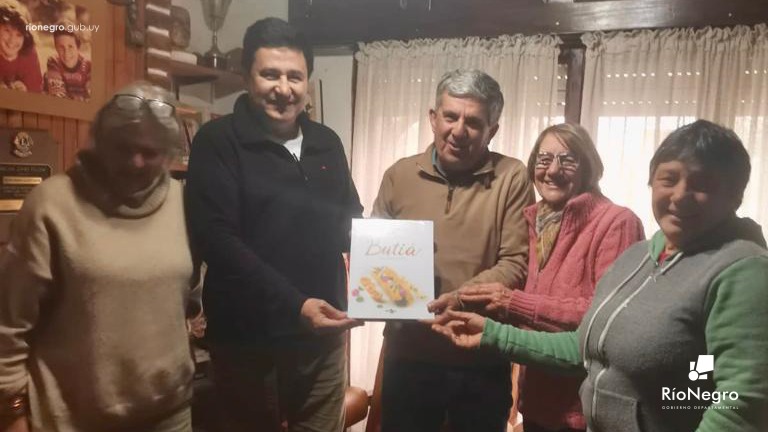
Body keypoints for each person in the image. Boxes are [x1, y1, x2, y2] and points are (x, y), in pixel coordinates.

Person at [433, 120, 768, 432]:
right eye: (669, 179)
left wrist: (509, 303)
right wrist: (491, 334)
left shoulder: (744, 271)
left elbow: (741, 404)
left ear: (735, 195)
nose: (680, 195)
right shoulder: (639, 258)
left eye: (702, 184)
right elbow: (587, 346)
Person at [184, 17, 363, 432]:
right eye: (270, 74)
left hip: (322, 335)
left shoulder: (327, 142)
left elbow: (348, 221)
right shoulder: (217, 141)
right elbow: (218, 240)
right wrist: (296, 305)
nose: (284, 88)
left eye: (294, 77)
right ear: (247, 76)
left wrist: (398, 261)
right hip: (246, 340)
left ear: (307, 80)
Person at [0, 81, 197, 432]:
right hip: (74, 419)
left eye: (149, 152)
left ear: (168, 154)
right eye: (123, 147)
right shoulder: (52, 204)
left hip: (170, 415)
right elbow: (10, 323)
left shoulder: (184, 203)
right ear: (100, 140)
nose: (135, 161)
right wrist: (12, 410)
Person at [371, 68, 534, 432]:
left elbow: (516, 262)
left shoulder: (512, 176)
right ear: (433, 118)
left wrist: (458, 298)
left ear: (493, 130)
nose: (459, 130)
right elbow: (376, 255)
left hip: (480, 357)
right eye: (450, 116)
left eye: (473, 122)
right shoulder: (399, 175)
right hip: (408, 355)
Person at [456, 123, 645, 432]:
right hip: (536, 405)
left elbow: (606, 319)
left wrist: (511, 302)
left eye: (567, 160)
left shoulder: (617, 222)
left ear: (588, 166)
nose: (553, 170)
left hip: (585, 412)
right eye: (544, 159)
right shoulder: (532, 222)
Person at [0, 4, 42, 92]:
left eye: (19, 35)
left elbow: (35, 90)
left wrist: (25, 90)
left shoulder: (29, 54)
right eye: (7, 30)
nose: (12, 40)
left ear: (26, 37)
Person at [44, 24, 92, 100]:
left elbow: (91, 96)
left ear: (78, 46)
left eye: (70, 46)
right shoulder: (54, 62)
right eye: (61, 47)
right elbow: (57, 96)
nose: (66, 53)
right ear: (56, 48)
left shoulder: (89, 65)